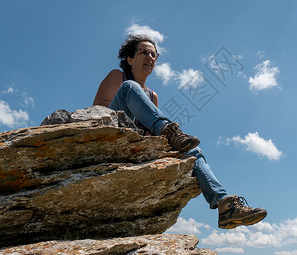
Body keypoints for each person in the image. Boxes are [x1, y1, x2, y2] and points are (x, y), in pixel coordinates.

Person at [93, 35, 267, 229]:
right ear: (130, 59)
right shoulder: (118, 77)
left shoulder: (152, 96)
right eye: (143, 52)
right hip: (112, 136)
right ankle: (168, 131)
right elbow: (100, 115)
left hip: (136, 149)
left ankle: (224, 204)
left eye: (154, 54)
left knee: (193, 151)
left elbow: (151, 135)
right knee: (129, 87)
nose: (150, 57)